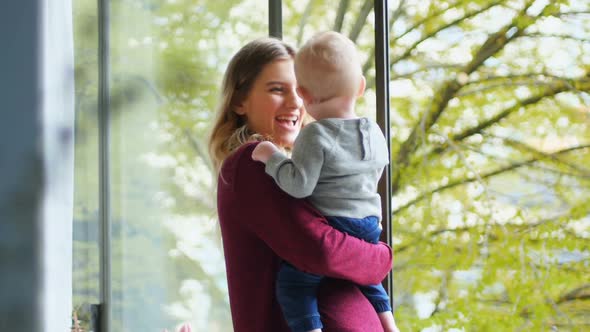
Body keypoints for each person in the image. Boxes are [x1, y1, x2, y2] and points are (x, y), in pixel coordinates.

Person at [208, 36, 394, 332]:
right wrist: (382, 257)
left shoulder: (301, 167)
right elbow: (320, 251)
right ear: (239, 101)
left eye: (300, 90)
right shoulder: (251, 163)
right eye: (277, 90)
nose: (296, 102)